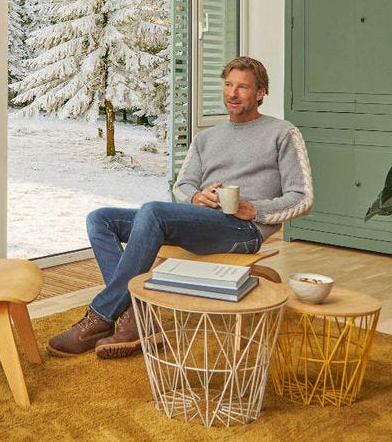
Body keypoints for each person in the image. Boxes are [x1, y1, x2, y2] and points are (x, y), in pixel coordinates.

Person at [47, 55, 314, 358]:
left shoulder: (282, 133)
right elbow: (182, 185)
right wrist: (195, 197)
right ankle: (136, 317)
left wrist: (252, 209)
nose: (232, 93)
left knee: (153, 211)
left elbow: (302, 198)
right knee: (101, 219)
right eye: (228, 85)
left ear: (261, 92)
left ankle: (99, 317)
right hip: (200, 222)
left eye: (243, 87)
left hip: (243, 230)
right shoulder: (207, 138)